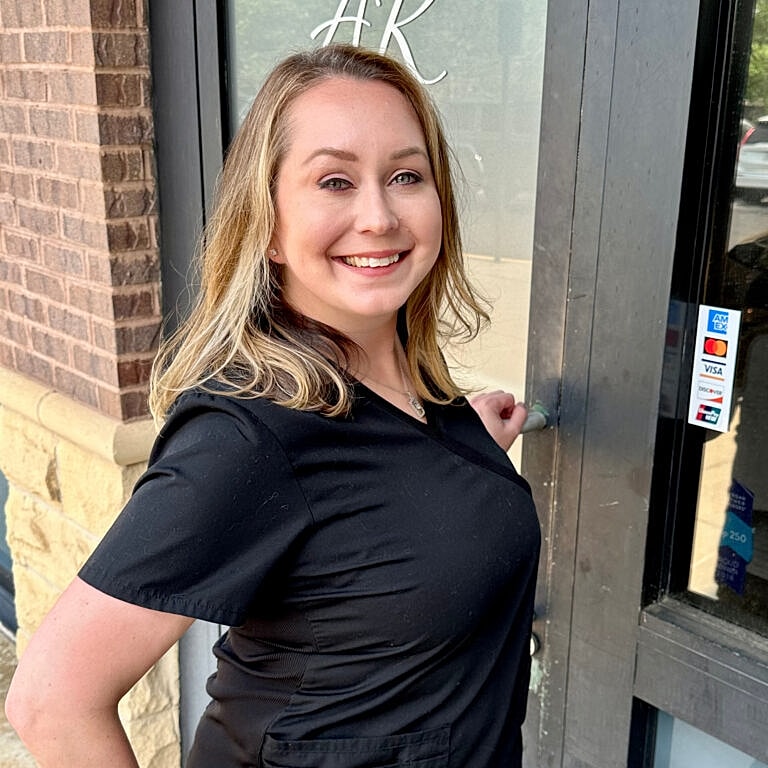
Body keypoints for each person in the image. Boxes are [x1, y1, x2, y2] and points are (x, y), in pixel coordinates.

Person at [6, 44, 540, 767]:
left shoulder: (418, 395)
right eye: (334, 181)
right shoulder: (248, 436)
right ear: (268, 224)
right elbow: (52, 701)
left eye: (406, 176)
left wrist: (457, 453)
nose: (379, 216)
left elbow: (365, 517)